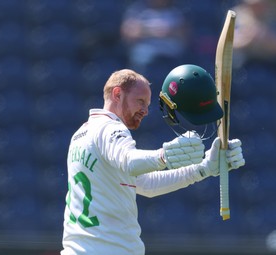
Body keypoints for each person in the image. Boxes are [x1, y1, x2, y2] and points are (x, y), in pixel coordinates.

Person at [61, 69, 245, 255]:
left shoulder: (81, 134)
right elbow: (130, 161)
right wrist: (163, 156)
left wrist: (203, 169)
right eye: (140, 101)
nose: (145, 111)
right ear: (117, 94)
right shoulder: (110, 128)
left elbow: (146, 184)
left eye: (147, 105)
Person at [120, 0, 189, 74]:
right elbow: (129, 33)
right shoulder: (137, 9)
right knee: (140, 57)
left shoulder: (175, 11)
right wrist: (153, 31)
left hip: (169, 50)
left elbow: (184, 35)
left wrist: (168, 31)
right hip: (145, 49)